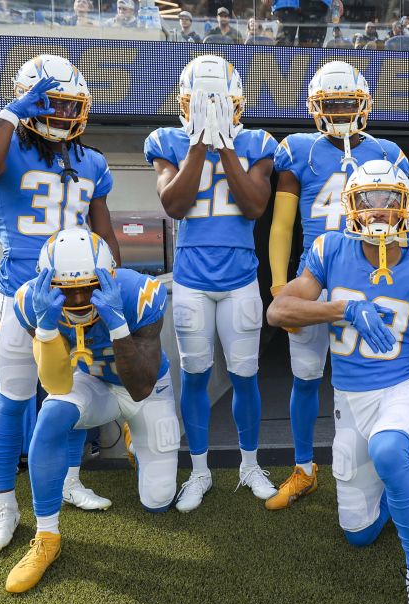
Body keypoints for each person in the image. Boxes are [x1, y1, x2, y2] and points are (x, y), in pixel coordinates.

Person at [266, 160, 409, 604]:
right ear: (351, 206)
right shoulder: (329, 250)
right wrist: (342, 306)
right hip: (349, 400)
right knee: (358, 534)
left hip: (399, 391)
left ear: (406, 206)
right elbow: (279, 310)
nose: (379, 210)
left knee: (387, 451)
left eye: (389, 199)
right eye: (368, 199)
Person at [0, 54, 120, 556]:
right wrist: (10, 113)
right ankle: (5, 506)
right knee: (12, 399)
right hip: (19, 294)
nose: (61, 115)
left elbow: (104, 231)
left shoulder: (90, 160)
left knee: (71, 394)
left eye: (70, 106)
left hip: (78, 294)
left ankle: (69, 481)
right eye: (51, 104)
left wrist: (112, 277)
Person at [266, 62, 409, 510]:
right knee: (305, 377)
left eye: (347, 103)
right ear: (315, 108)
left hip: (372, 272)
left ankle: (390, 456)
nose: (340, 112)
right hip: (317, 274)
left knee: (381, 367)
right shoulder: (300, 149)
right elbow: (283, 223)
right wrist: (280, 283)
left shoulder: (388, 151)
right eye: (331, 104)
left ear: (364, 104)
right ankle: (304, 468)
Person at [4, 229, 180, 593]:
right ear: (48, 283)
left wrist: (117, 322)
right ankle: (47, 536)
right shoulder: (30, 300)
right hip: (93, 383)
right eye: (68, 289)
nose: (81, 298)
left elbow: (141, 386)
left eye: (89, 286)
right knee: (51, 414)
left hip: (145, 389)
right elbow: (56, 384)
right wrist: (48, 328)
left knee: (158, 501)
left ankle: (137, 436)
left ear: (108, 276)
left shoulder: (137, 294)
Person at [144, 55, 278, 510]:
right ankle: (199, 472)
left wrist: (223, 146)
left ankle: (249, 464)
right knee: (196, 377)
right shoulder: (168, 141)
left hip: (240, 278)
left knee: (245, 378)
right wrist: (200, 144)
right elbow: (174, 205)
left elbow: (255, 205)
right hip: (192, 281)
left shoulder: (257, 142)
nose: (207, 110)